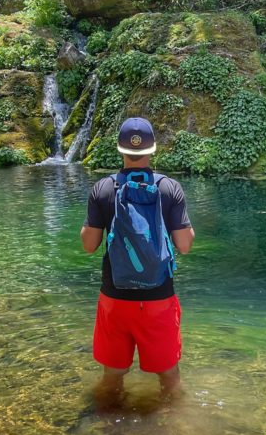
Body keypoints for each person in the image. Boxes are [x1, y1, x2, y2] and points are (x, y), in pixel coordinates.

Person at [80, 116, 195, 406]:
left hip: (115, 299)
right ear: (152, 149)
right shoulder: (170, 188)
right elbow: (184, 245)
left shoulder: (102, 189)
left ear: (121, 150)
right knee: (170, 378)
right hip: (158, 300)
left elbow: (89, 246)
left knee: (112, 377)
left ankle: (107, 433)